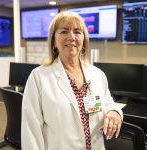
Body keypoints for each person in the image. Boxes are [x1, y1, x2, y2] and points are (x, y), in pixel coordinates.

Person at [21, 11, 123, 150]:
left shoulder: (97, 74)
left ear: (84, 39)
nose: (71, 37)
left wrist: (114, 112)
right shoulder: (39, 77)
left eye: (77, 32)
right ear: (53, 41)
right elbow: (31, 131)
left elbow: (109, 103)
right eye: (64, 31)